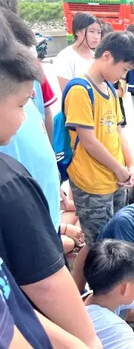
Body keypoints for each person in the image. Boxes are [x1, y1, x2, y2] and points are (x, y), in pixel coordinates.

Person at [0, 10, 106, 349]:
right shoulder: (9, 183)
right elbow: (41, 285)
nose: (23, 117)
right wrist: (85, 347)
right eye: (21, 105)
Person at [65, 31, 134, 291]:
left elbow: (119, 130)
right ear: (107, 56)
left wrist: (130, 166)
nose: (123, 75)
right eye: (124, 68)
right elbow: (88, 140)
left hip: (116, 181)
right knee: (97, 246)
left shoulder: (110, 89)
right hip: (91, 184)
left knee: (114, 241)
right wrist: (120, 169)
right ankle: (82, 296)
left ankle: (111, 293)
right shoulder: (79, 89)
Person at [0, 8, 61, 233]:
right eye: (22, 105)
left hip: (45, 213)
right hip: (27, 224)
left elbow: (43, 125)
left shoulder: (27, 79)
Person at [54, 12, 102, 91]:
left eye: (99, 32)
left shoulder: (96, 56)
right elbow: (67, 91)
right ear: (77, 32)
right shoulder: (66, 57)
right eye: (91, 31)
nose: (96, 36)